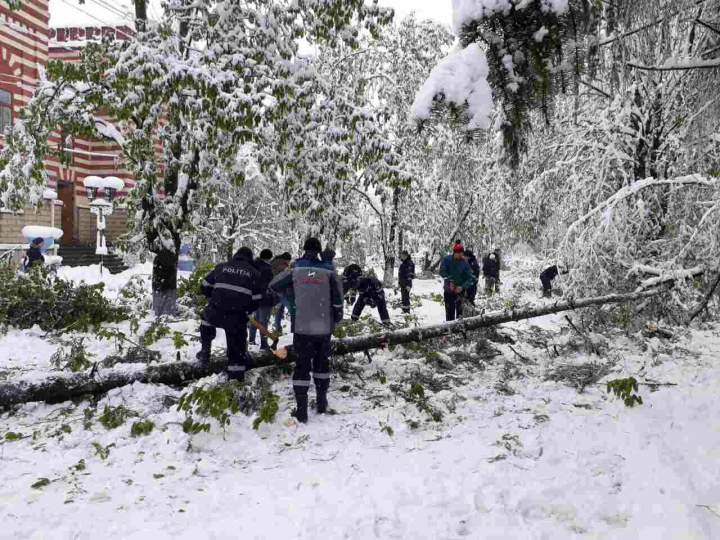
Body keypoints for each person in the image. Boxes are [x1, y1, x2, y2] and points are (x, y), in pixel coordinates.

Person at [270, 237, 343, 423]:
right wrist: (337, 315)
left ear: (304, 250)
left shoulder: (294, 269)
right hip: (324, 327)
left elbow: (273, 285)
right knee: (321, 364)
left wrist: (293, 299)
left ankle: (302, 410)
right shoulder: (328, 270)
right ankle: (321, 402)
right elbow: (338, 297)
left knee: (302, 365)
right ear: (319, 251)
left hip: (302, 326)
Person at [196, 247, 262, 382]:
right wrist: (246, 310)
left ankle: (205, 352)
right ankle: (235, 381)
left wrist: (214, 298)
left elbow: (204, 286)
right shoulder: (254, 273)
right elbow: (256, 301)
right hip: (236, 317)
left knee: (205, 318)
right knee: (236, 351)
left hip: (215, 311)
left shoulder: (221, 267)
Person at [440, 244, 476, 321]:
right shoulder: (447, 260)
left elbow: (470, 278)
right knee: (449, 313)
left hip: (460, 293)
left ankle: (459, 329)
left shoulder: (465, 263)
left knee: (460, 314)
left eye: (462, 253)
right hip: (449, 291)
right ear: (454, 253)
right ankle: (450, 329)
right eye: (459, 253)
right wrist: (450, 280)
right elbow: (442, 271)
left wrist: (462, 287)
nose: (461, 255)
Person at [248, 249, 274, 349]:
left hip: (254, 298)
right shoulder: (267, 269)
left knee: (255, 320)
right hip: (265, 298)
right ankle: (264, 344)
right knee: (263, 322)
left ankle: (251, 340)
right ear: (269, 258)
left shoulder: (254, 266)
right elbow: (270, 285)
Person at [271, 252, 293, 332]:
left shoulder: (274, 263)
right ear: (286, 260)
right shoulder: (283, 267)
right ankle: (295, 329)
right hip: (283, 292)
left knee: (279, 310)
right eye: (289, 261)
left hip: (274, 292)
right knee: (292, 310)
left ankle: (277, 328)